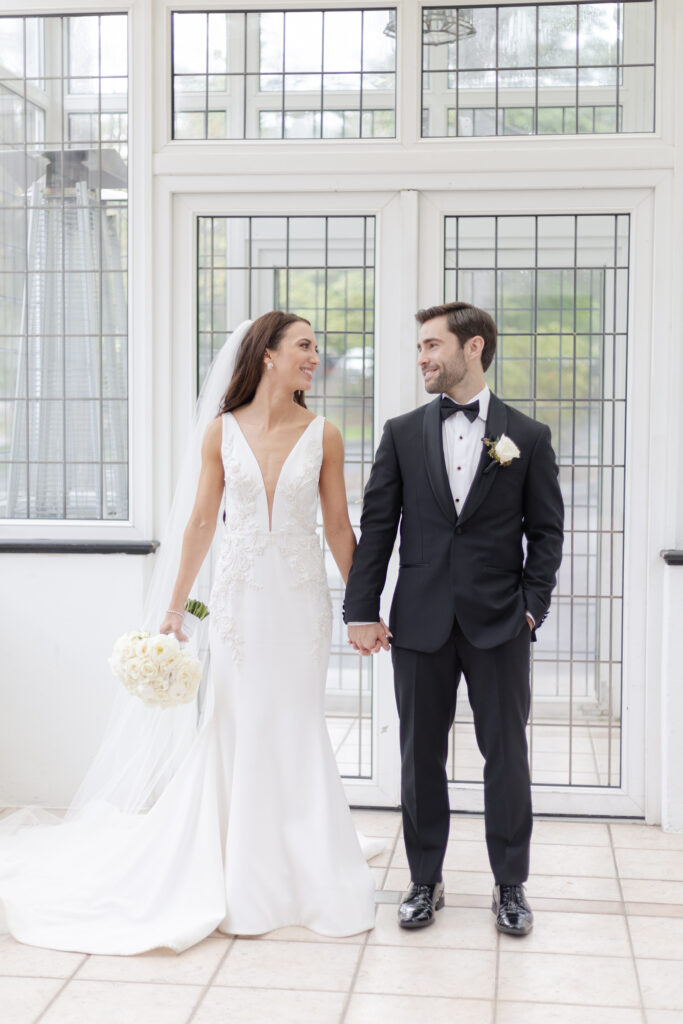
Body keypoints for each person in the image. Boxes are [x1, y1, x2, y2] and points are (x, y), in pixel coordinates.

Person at [0, 312, 380, 954]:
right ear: (268, 356)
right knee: (237, 723)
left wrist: (362, 608)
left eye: (315, 348)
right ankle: (236, 865)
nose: (316, 357)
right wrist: (175, 609)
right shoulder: (220, 433)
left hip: (299, 607)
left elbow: (341, 528)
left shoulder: (325, 434)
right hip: (236, 611)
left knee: (294, 721)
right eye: (304, 346)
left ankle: (303, 861)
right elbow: (202, 523)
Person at [345, 301, 564, 937]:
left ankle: (511, 886)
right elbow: (378, 527)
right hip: (419, 620)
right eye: (419, 348)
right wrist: (362, 608)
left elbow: (546, 534)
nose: (422, 358)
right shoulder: (402, 431)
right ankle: (423, 880)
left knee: (506, 757)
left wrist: (531, 609)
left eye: (432, 346)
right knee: (419, 758)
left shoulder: (528, 436)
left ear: (473, 348)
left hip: (500, 622)